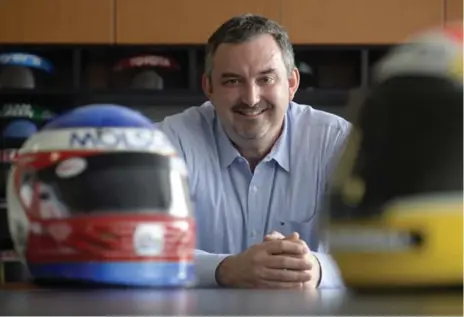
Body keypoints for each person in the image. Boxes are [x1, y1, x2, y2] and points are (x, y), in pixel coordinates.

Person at [158, 14, 351, 289]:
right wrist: (225, 269)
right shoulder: (167, 144)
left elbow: (379, 247)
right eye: (232, 81)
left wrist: (317, 269)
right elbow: (140, 247)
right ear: (209, 88)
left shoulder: (338, 143)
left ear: (292, 83)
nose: (251, 98)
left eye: (266, 79)